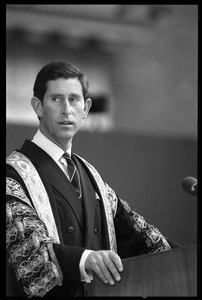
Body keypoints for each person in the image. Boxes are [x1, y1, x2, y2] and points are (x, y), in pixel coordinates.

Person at [6, 61, 173, 298]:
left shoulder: (90, 175)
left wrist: (185, 255)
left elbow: (140, 236)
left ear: (85, 108)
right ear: (38, 106)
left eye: (74, 99)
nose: (66, 109)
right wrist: (87, 259)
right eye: (56, 99)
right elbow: (29, 246)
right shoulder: (13, 174)